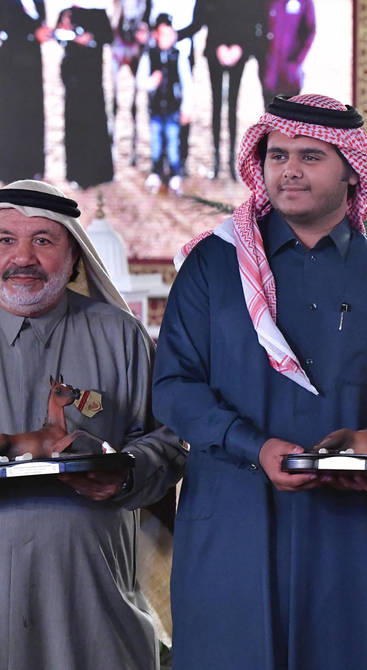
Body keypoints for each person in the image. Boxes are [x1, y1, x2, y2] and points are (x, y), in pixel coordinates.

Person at [152, 93, 367, 670]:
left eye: (310, 156)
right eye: (277, 154)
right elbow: (173, 386)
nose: (288, 169)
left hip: (351, 533)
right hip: (230, 522)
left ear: (351, 171)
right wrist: (254, 446)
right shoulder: (214, 266)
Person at [0, 179, 185, 669]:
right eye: (4, 240)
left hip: (94, 597)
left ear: (75, 256)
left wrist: (125, 473)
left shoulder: (119, 336)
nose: (22, 258)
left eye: (43, 240)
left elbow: (168, 442)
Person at [179, 0, 267, 179]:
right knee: (216, 105)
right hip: (215, 50)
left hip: (238, 52)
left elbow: (255, 20)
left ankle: (230, 161)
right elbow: (201, 19)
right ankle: (217, 160)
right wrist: (217, 46)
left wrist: (240, 48)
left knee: (233, 105)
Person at [55, 3, 114, 189]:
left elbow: (108, 36)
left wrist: (91, 38)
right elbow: (57, 34)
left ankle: (101, 173)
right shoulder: (67, 11)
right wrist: (65, 31)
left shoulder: (99, 12)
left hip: (92, 75)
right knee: (75, 122)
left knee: (95, 119)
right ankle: (77, 174)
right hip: (73, 75)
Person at [137, 12, 194, 194]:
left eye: (171, 35)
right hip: (155, 109)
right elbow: (140, 80)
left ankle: (175, 173)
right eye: (163, 35)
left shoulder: (179, 57)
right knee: (155, 142)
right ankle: (156, 171)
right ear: (156, 35)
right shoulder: (149, 55)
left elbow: (187, 84)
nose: (168, 39)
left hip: (173, 109)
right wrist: (150, 82)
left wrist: (186, 108)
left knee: (172, 143)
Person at [0, 0, 48, 183]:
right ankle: (11, 171)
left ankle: (34, 167)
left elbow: (40, 23)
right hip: (11, 63)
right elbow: (6, 26)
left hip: (33, 61)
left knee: (33, 112)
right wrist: (32, 33)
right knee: (12, 116)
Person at [262, 0, 316, 105]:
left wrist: (297, 61)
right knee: (270, 114)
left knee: (291, 114)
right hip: (269, 71)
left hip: (290, 73)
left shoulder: (304, 2)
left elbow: (310, 31)